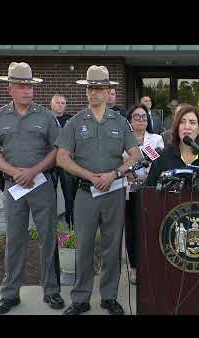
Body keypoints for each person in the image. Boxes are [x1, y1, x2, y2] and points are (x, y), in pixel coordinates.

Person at [55, 65, 141, 315]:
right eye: (90, 88)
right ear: (86, 92)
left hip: (114, 192)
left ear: (108, 91)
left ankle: (109, 297)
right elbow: (61, 157)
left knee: (112, 247)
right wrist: (89, 176)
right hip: (85, 193)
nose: (94, 92)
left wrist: (114, 173)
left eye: (99, 88)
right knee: (83, 246)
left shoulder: (120, 122)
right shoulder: (74, 122)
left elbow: (135, 155)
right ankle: (80, 298)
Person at [0, 62, 64, 314]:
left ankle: (51, 291)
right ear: (10, 89)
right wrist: (15, 172)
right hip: (13, 187)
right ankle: (10, 294)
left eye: (30, 86)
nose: (27, 90)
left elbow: (58, 150)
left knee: (48, 238)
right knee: (15, 240)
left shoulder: (46, 116)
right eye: (21, 86)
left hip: (41, 185)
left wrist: (34, 170)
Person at [124, 104, 164, 284]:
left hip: (150, 191)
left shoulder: (156, 139)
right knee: (132, 230)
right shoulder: (124, 138)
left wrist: (149, 174)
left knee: (151, 228)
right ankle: (134, 267)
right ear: (130, 120)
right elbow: (118, 160)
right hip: (129, 190)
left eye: (144, 117)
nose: (141, 120)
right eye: (137, 117)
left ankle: (150, 265)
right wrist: (128, 173)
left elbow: (160, 163)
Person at [146, 105, 199, 186]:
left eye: (192, 122)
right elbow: (149, 191)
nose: (187, 127)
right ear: (176, 127)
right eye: (182, 122)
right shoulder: (162, 158)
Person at [50, 94, 74, 227]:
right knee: (49, 195)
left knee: (69, 193)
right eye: (57, 103)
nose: (60, 105)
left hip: (66, 162)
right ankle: (51, 224)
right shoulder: (46, 119)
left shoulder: (71, 120)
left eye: (63, 103)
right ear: (51, 104)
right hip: (50, 162)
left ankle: (71, 223)